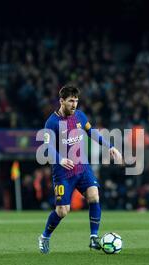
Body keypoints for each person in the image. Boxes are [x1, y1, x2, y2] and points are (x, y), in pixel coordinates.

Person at [38, 85, 122, 254]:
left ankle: (93, 238)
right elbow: (47, 147)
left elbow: (93, 133)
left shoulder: (80, 116)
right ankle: (45, 237)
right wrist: (60, 159)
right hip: (63, 173)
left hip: (82, 168)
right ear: (62, 101)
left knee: (94, 196)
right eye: (71, 101)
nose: (74, 104)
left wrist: (110, 146)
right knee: (62, 211)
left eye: (76, 101)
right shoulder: (51, 122)